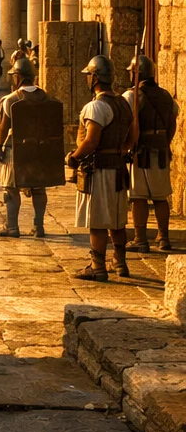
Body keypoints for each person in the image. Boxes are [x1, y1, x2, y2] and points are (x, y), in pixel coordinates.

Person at [68, 54, 136, 281]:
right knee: (117, 219)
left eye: (89, 76)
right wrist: (122, 149)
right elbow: (133, 136)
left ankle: (97, 266)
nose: (87, 80)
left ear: (95, 77)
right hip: (118, 167)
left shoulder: (96, 106)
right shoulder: (123, 103)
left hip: (100, 170)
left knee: (97, 220)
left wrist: (74, 157)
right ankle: (120, 262)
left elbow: (91, 141)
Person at [0, 57, 52, 238]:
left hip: (16, 148)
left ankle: (12, 227)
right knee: (38, 187)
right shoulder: (46, 98)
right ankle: (38, 226)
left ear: (18, 77)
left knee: (11, 187)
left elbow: (4, 126)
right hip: (39, 149)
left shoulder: (11, 99)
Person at [126, 50, 178, 253]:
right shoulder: (166, 96)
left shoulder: (132, 95)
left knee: (138, 196)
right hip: (161, 149)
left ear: (136, 74)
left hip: (141, 152)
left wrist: (128, 145)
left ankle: (140, 239)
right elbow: (172, 124)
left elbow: (128, 123)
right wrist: (165, 142)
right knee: (160, 196)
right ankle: (163, 238)